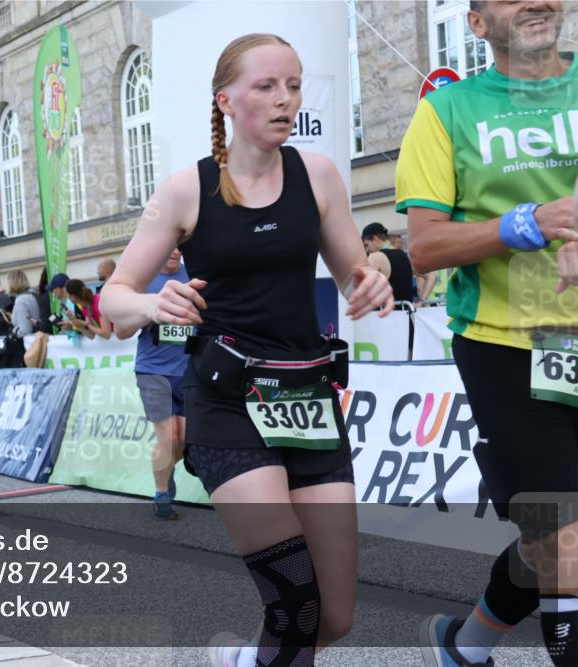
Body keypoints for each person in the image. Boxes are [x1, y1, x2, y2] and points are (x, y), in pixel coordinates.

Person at [99, 34, 393, 666]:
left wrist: (372, 277)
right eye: (266, 87)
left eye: (293, 85)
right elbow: (112, 302)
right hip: (229, 403)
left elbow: (350, 275)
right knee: (297, 607)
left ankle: (241, 660)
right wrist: (156, 303)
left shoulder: (318, 175)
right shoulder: (186, 189)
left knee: (334, 618)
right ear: (225, 100)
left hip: (307, 399)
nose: (285, 99)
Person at [395, 2, 578, 665]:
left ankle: (464, 646)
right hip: (508, 346)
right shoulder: (446, 112)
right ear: (476, 25)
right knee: (562, 537)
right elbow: (423, 246)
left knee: (542, 542)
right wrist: (527, 223)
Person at [117, 248, 190, 521]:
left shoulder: (193, 274)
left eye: (179, 245)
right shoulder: (144, 281)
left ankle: (165, 470)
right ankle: (162, 497)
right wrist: (153, 309)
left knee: (187, 441)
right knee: (169, 437)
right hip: (153, 371)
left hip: (190, 371)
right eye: (169, 245)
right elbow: (121, 330)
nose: (174, 251)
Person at [362, 222, 415, 304]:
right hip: (407, 312)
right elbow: (430, 275)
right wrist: (422, 300)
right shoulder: (403, 255)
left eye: (367, 245)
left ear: (375, 239)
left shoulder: (375, 257)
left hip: (387, 314)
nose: (367, 250)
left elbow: (361, 287)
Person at [7, 270, 40, 336]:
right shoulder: (34, 294)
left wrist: (14, 332)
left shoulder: (21, 300)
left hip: (31, 342)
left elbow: (25, 330)